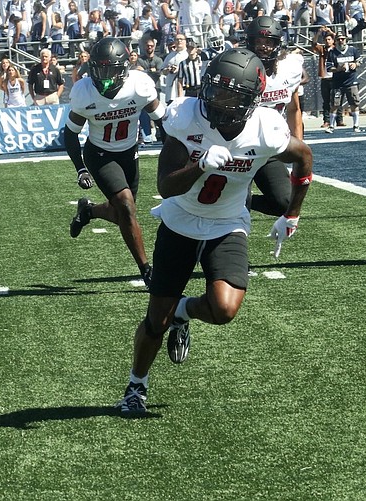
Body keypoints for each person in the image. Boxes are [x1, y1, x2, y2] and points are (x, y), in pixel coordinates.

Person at [116, 48, 313, 416]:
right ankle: (135, 387)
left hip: (227, 223)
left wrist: (292, 215)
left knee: (224, 309)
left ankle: (183, 313)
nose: (217, 101)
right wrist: (200, 165)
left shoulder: (267, 128)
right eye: (214, 89)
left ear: (251, 100)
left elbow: (304, 157)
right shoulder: (186, 116)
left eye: (230, 95)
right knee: (154, 321)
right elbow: (167, 185)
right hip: (180, 220)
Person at [64, 37, 166, 288]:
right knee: (126, 207)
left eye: (109, 70)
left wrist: (173, 155)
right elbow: (70, 133)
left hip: (129, 152)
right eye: (99, 70)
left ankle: (89, 211)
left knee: (122, 214)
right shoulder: (84, 91)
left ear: (123, 70)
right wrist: (81, 168)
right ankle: (146, 270)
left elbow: (162, 121)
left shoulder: (140, 85)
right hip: (99, 154)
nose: (103, 77)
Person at [246, 16, 302, 217]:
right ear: (249, 42)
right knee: (235, 207)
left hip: (269, 147)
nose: (263, 47)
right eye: (258, 42)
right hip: (238, 147)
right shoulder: (240, 68)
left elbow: (294, 109)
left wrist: (299, 147)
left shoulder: (290, 68)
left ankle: (241, 200)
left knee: (285, 202)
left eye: (268, 42)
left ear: (277, 43)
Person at [326, 31, 362, 133]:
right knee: (335, 104)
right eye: (338, 39)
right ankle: (331, 125)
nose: (341, 41)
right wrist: (338, 69)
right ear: (335, 41)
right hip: (338, 83)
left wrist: (355, 65)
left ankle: (356, 125)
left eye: (343, 39)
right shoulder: (332, 53)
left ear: (346, 39)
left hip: (351, 81)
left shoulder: (353, 50)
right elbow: (328, 68)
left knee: (354, 103)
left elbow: (359, 60)